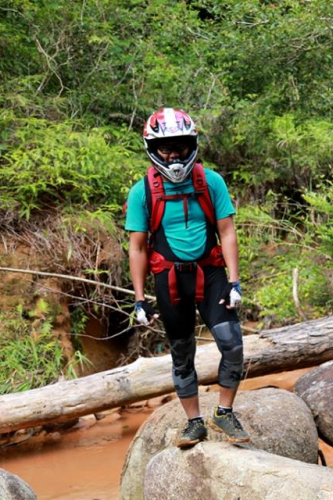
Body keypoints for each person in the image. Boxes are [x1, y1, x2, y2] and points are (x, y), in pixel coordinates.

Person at [125, 107, 249, 448]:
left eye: (179, 145)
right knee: (182, 353)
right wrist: (139, 299)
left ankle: (224, 411)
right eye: (166, 147)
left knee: (232, 344)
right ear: (153, 149)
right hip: (169, 281)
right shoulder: (142, 192)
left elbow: (227, 232)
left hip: (211, 275)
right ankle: (194, 422)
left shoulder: (210, 182)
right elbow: (137, 247)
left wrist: (234, 282)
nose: (174, 154)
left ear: (191, 143)